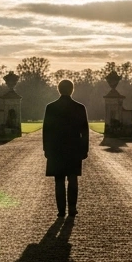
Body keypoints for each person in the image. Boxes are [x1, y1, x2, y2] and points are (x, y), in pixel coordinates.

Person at [42, 78, 89, 216]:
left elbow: (46, 131)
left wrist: (46, 149)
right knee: (73, 179)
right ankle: (72, 208)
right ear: (72, 90)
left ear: (59, 90)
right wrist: (84, 149)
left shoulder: (51, 107)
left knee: (59, 180)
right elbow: (84, 131)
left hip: (56, 149)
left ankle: (61, 210)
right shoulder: (79, 108)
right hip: (74, 148)